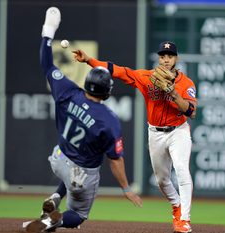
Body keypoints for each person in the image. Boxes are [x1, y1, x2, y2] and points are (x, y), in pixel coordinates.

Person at [25, 7, 142, 233]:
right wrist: (126, 188)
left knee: (70, 172)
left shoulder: (67, 91)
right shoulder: (109, 121)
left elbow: (47, 65)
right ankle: (51, 221)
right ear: (107, 92)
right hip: (82, 175)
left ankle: (55, 196)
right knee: (77, 216)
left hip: (58, 158)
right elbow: (115, 160)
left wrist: (48, 33)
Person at [73, 40, 197, 233]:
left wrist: (173, 93)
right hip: (155, 133)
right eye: (163, 56)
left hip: (178, 132)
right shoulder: (146, 77)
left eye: (170, 56)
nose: (166, 60)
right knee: (162, 181)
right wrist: (89, 60)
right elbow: (117, 71)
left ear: (176, 58)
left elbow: (191, 111)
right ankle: (176, 205)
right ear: (159, 58)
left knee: (181, 170)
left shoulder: (186, 83)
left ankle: (184, 220)